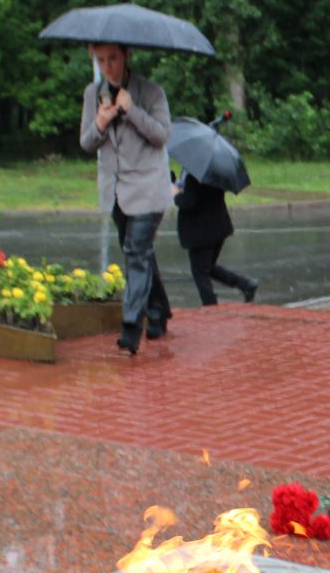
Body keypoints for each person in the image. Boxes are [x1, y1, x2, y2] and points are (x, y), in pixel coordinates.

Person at [81, 42, 172, 355]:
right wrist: (100, 123)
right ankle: (159, 311)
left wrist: (132, 110)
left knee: (136, 251)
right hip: (116, 191)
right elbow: (86, 142)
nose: (108, 66)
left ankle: (132, 327)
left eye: (114, 59)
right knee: (139, 251)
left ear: (127, 56)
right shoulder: (93, 94)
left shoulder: (151, 92)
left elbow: (162, 134)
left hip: (148, 186)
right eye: (101, 60)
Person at [174, 171, 257, 306]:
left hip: (202, 232)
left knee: (200, 271)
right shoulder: (214, 173)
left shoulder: (194, 175)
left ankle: (210, 307)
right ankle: (245, 284)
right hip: (218, 227)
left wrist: (176, 194)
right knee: (207, 267)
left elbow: (189, 202)